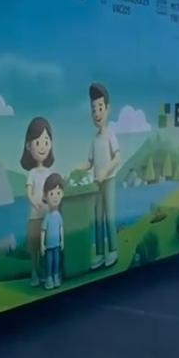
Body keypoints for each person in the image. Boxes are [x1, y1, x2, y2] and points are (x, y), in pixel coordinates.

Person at [77, 82, 121, 269]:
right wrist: (79, 169)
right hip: (96, 183)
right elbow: (89, 162)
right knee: (98, 218)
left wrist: (106, 171)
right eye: (93, 109)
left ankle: (113, 250)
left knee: (109, 216)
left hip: (108, 181)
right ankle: (101, 253)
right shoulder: (94, 139)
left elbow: (118, 157)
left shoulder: (110, 134)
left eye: (100, 108)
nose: (97, 113)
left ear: (108, 108)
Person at [20, 117, 56, 286]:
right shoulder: (32, 173)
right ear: (28, 146)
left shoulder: (49, 172)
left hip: (47, 217)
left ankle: (44, 273)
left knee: (46, 248)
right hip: (35, 217)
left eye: (46, 141)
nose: (42, 147)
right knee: (34, 248)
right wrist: (35, 202)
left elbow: (53, 191)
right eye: (38, 142)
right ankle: (35, 273)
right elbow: (28, 192)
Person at [40, 172, 66, 290]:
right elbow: (43, 231)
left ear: (62, 194)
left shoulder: (58, 215)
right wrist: (42, 245)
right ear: (45, 196)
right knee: (49, 262)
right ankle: (49, 278)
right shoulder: (47, 216)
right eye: (51, 193)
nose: (55, 197)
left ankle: (56, 276)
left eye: (58, 193)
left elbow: (61, 228)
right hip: (49, 247)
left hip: (57, 245)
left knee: (57, 261)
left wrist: (62, 241)